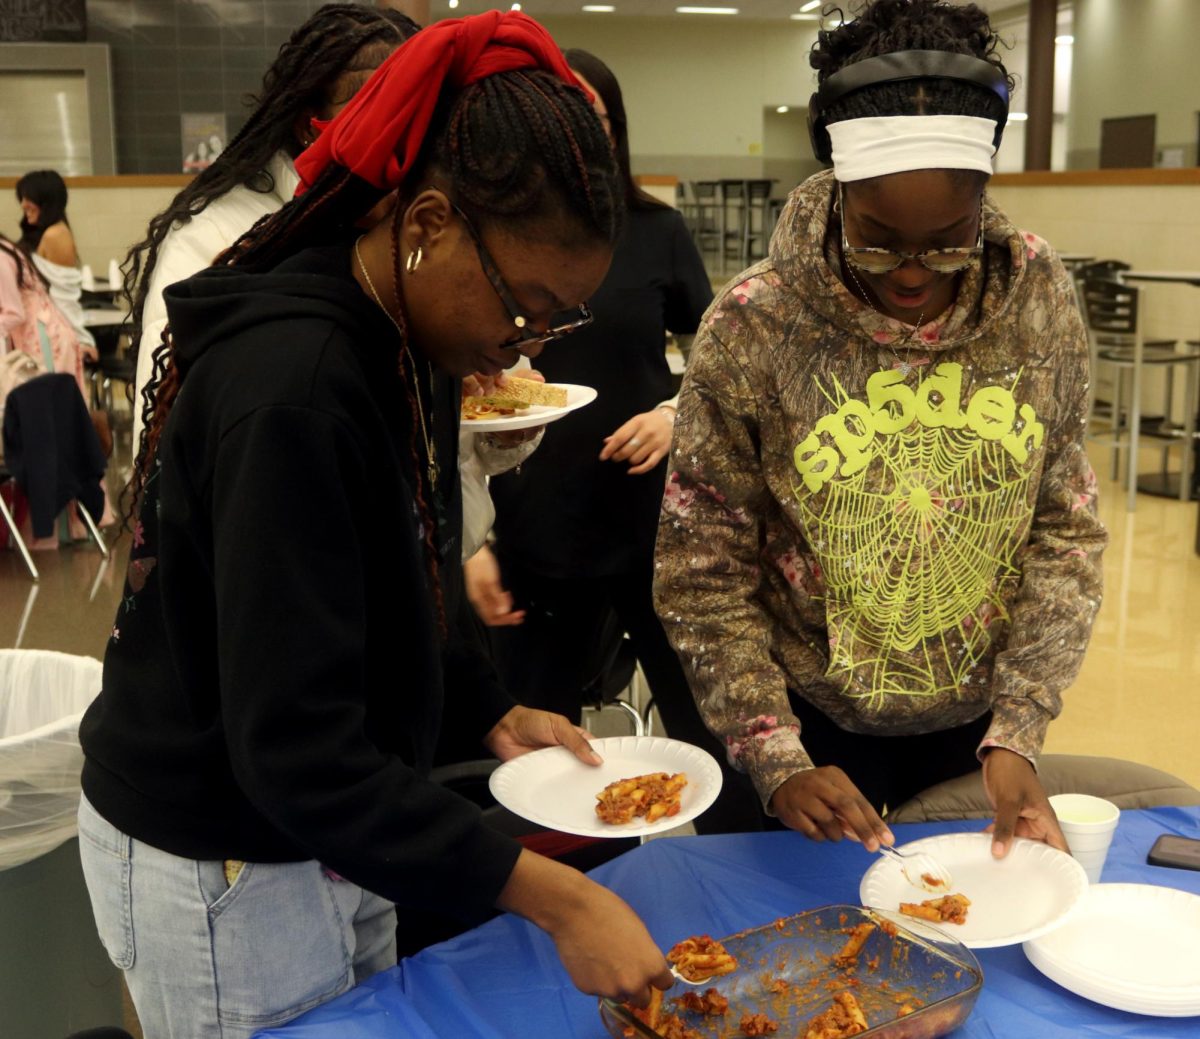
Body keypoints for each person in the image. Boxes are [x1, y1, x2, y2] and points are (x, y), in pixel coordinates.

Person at [76, 13, 673, 1038]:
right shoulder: (295, 389)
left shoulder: (406, 334)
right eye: (525, 307)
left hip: (330, 825)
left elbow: (403, 571)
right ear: (428, 220)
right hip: (225, 848)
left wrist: (483, 707)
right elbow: (295, 747)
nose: (524, 341)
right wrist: (556, 896)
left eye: (556, 322)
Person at [654, 0, 1107, 860]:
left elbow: (1064, 526)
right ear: (838, 190)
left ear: (985, 195)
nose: (910, 275)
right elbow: (701, 567)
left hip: (979, 728)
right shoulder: (757, 326)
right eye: (876, 241)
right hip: (810, 728)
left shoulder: (1037, 300)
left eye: (947, 242)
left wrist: (1019, 726)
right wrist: (774, 754)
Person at [474, 49, 761, 833]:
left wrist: (676, 413)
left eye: (593, 118)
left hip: (650, 520)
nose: (578, 135)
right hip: (534, 520)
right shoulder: (499, 236)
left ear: (616, 127)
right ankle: (557, 902)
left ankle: (744, 872)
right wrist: (472, 537)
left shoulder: (657, 229)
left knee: (711, 724)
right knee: (536, 749)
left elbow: (718, 354)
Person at [123, 2, 420, 448]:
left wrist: (492, 427)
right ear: (309, 127)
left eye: (418, 121)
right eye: (379, 120)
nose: (401, 146)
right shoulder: (218, 240)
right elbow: (164, 440)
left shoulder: (423, 225)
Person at [15, 169, 97, 357]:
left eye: (28, 198)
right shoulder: (45, 233)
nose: (23, 204)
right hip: (42, 332)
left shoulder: (56, 235)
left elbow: (63, 296)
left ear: (47, 200)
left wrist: (80, 338)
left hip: (53, 337)